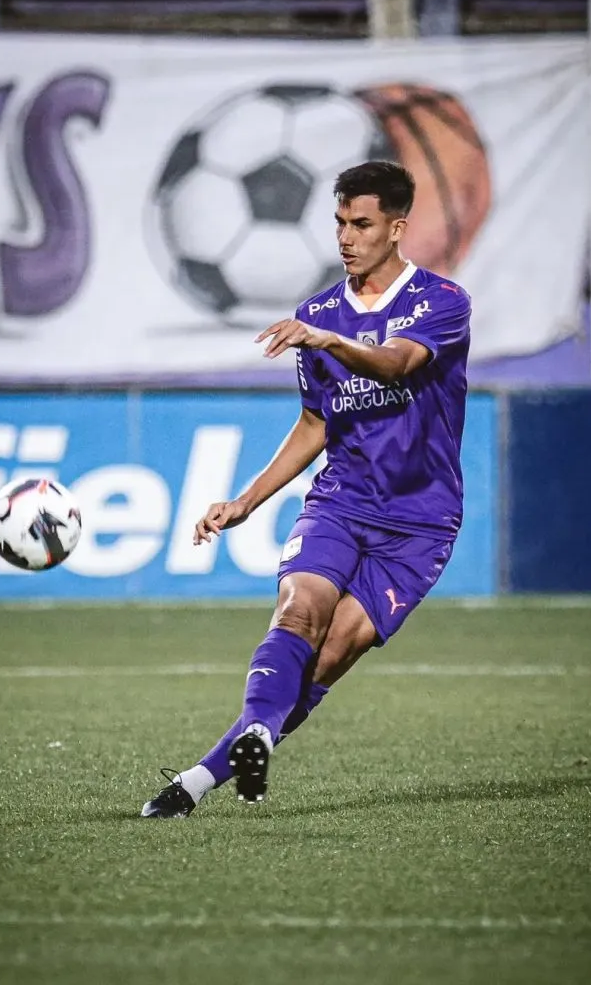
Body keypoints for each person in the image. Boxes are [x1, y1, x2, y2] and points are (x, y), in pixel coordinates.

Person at [141, 159, 471, 818]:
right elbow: (316, 423)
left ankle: (197, 782)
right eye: (340, 222)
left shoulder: (440, 302)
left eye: (362, 224)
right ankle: (257, 735)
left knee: (327, 659)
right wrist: (246, 499)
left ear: (396, 228)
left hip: (420, 521)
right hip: (341, 501)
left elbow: (397, 361)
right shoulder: (316, 313)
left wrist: (331, 339)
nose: (347, 237)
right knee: (298, 608)